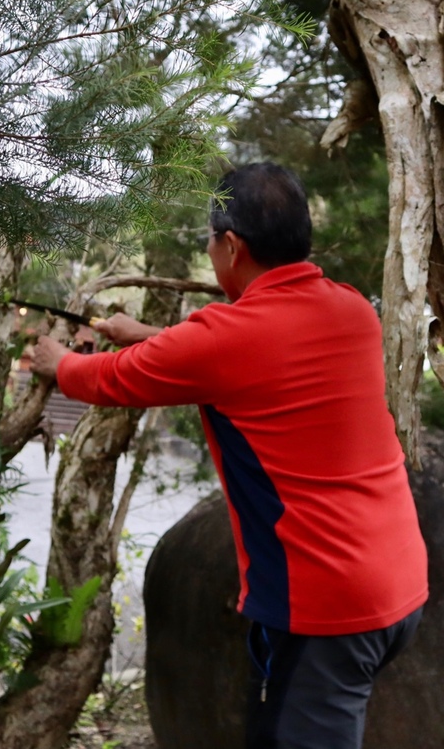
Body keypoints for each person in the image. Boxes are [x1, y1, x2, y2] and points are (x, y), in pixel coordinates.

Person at [29, 162, 428, 748]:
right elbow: (244, 356)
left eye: (209, 240)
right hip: (399, 586)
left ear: (232, 245)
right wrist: (144, 333)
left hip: (325, 609)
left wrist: (55, 362)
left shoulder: (226, 339)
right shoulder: (351, 310)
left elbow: (109, 379)